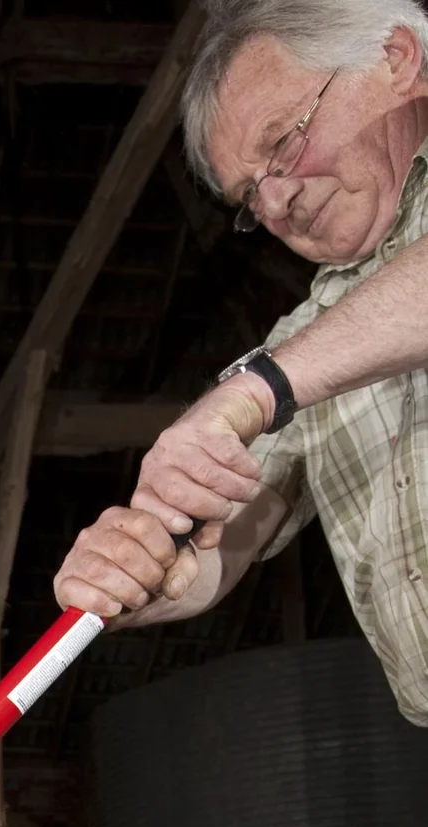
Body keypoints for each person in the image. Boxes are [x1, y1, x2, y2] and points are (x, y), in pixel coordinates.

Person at [53, 0, 428, 723]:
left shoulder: (289, 365)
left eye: (282, 145)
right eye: (249, 195)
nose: (277, 202)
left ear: (396, 60)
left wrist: (254, 392)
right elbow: (228, 539)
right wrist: (151, 572)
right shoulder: (307, 336)